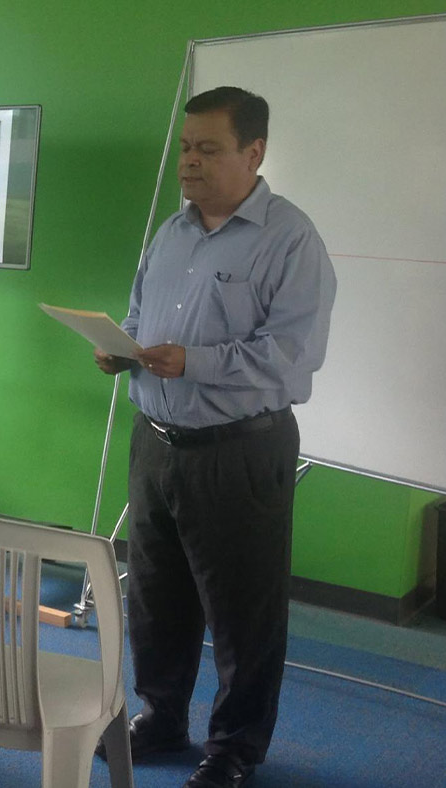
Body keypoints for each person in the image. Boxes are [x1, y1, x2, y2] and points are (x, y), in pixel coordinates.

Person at [94, 86, 336, 788]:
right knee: (156, 595)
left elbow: (291, 356)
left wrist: (193, 362)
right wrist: (124, 350)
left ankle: (235, 747)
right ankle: (161, 715)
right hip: (157, 443)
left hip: (241, 450)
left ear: (253, 152)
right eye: (185, 147)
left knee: (244, 611)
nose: (189, 162)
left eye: (208, 149)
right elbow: (143, 320)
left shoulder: (290, 238)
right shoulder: (170, 234)